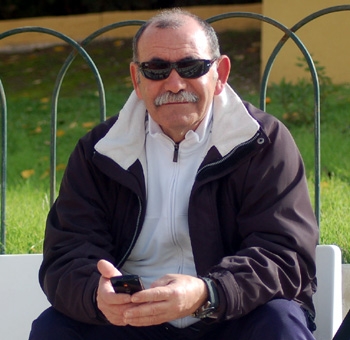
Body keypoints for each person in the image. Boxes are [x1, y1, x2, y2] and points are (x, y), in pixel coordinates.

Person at [29, 8, 319, 340]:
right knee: (54, 328)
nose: (175, 83)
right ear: (137, 79)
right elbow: (66, 254)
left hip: (229, 313)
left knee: (279, 321)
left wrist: (207, 293)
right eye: (156, 69)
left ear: (220, 73)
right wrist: (96, 294)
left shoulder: (262, 142)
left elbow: (286, 255)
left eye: (191, 66)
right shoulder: (100, 152)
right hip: (131, 320)